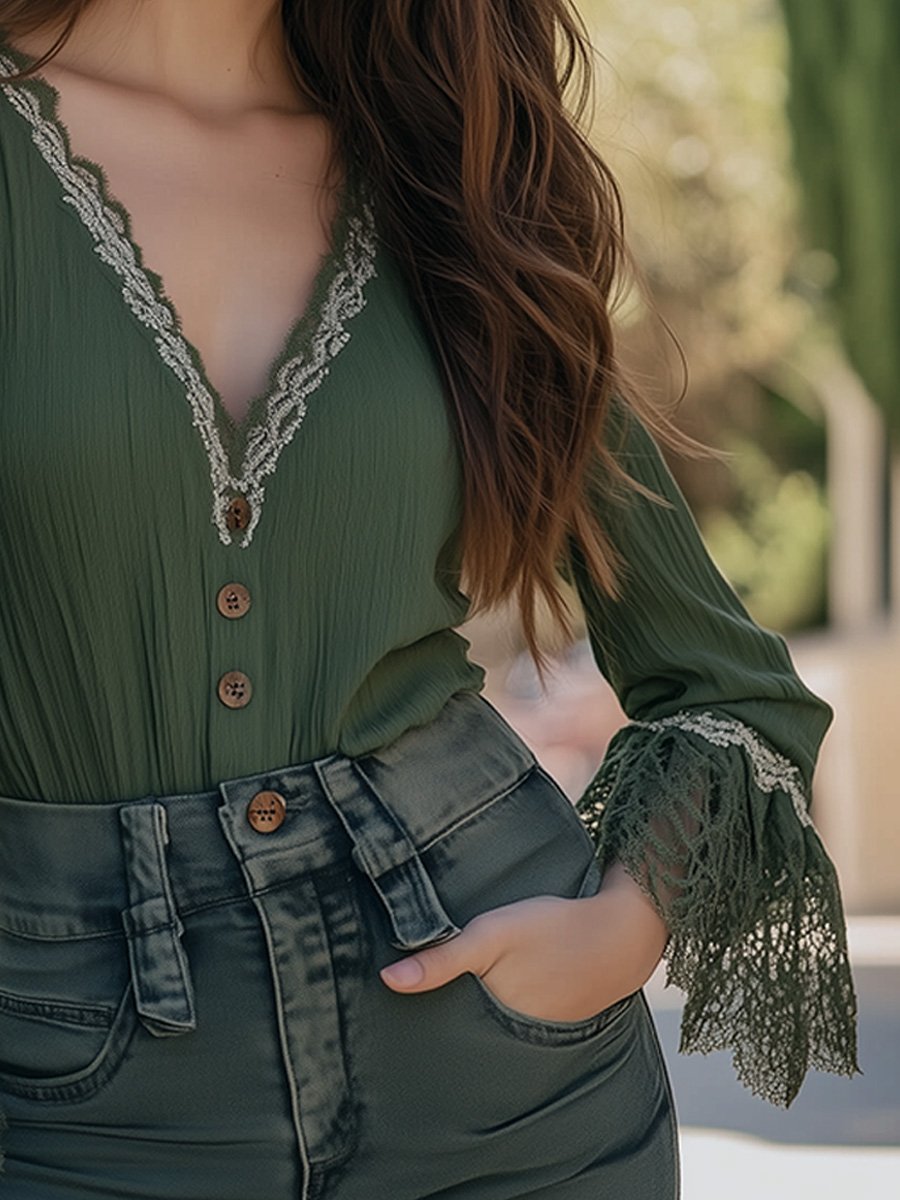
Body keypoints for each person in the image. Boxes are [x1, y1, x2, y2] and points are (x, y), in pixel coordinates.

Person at [0, 2, 859, 1198]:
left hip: (504, 1086)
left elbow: (730, 691)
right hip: (63, 1083)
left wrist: (616, 934)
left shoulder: (453, 173)